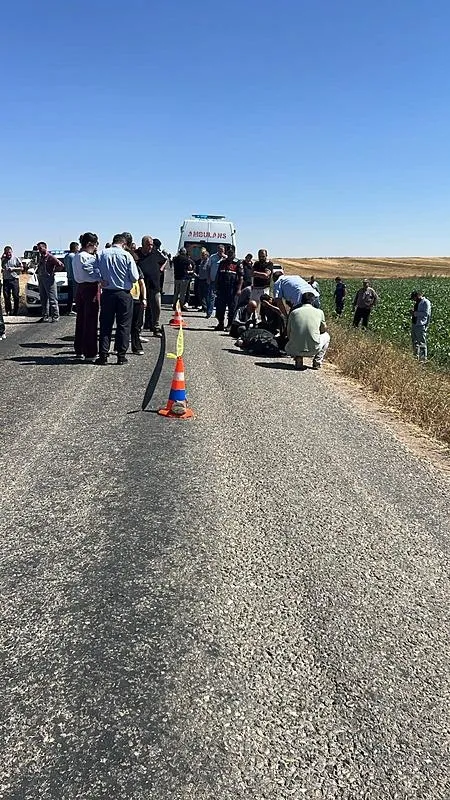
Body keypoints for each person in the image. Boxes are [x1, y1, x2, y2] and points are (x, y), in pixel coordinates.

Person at [96, 233, 139, 365]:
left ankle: (103, 355)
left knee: (105, 324)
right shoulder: (127, 255)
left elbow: (92, 269)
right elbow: (134, 277)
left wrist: (100, 279)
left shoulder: (102, 253)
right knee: (123, 325)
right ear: (124, 244)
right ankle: (121, 355)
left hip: (107, 293)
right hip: (123, 294)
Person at [72, 232, 101, 362]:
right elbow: (94, 272)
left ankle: (79, 349)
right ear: (89, 244)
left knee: (81, 320)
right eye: (95, 245)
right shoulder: (89, 258)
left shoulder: (76, 256)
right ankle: (90, 352)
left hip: (80, 288)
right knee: (91, 321)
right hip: (90, 288)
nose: (95, 248)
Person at [285, 292, 330, 370]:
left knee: (296, 336)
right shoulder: (319, 312)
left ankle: (298, 358)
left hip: (294, 349)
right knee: (327, 336)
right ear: (313, 301)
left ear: (301, 301)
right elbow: (323, 329)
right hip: (314, 349)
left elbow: (288, 332)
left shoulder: (294, 312)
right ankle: (317, 361)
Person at [136, 236, 165, 336]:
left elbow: (165, 260)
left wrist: (161, 269)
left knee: (156, 307)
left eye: (152, 244)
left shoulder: (155, 253)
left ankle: (155, 327)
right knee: (140, 309)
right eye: (148, 244)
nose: (151, 247)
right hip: (141, 286)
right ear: (143, 244)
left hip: (154, 285)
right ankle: (138, 329)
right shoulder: (137, 254)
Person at [215, 245, 243, 331]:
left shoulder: (238, 263)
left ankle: (230, 325)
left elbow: (241, 277)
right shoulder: (223, 262)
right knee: (220, 308)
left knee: (232, 308)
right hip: (222, 289)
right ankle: (220, 323)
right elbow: (218, 275)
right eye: (228, 252)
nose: (230, 253)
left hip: (233, 290)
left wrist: (239, 289)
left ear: (234, 252)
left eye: (231, 252)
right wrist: (216, 286)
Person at [36, 242, 64, 322]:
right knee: (43, 299)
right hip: (41, 279)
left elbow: (61, 265)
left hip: (49, 280)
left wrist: (53, 271)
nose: (39, 250)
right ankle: (45, 316)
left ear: (45, 247)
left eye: (40, 248)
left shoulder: (50, 257)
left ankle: (55, 316)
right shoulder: (41, 257)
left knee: (52, 298)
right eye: (38, 249)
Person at [410, 290, 431, 362]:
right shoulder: (418, 302)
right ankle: (415, 357)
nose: (413, 300)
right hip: (415, 324)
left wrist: (414, 313)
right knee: (414, 341)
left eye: (414, 298)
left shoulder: (426, 302)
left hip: (421, 325)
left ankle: (422, 360)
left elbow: (425, 314)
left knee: (421, 343)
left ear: (417, 296)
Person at [130, 265, 147, 355]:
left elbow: (142, 283)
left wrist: (144, 298)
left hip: (136, 298)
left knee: (136, 325)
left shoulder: (136, 267)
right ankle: (119, 348)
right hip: (124, 297)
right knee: (122, 324)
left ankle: (136, 347)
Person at [206, 244, 226, 318]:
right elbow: (208, 268)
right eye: (220, 250)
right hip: (213, 280)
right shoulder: (212, 257)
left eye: (222, 251)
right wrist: (208, 278)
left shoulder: (226, 258)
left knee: (221, 298)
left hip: (222, 282)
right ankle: (209, 312)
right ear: (217, 250)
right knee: (211, 296)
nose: (221, 252)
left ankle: (219, 314)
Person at [1, 246, 22, 315]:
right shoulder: (3, 259)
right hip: (6, 280)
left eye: (9, 252)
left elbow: (22, 268)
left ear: (12, 252)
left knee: (15, 296)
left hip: (14, 280)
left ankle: (15, 311)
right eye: (6, 253)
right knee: (6, 296)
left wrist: (13, 269)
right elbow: (1, 265)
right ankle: (8, 311)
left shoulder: (16, 259)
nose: (8, 254)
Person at [64, 241, 80, 315]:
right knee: (76, 295)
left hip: (69, 278)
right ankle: (78, 309)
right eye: (77, 247)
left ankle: (69, 310)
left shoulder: (66, 256)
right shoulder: (73, 256)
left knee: (70, 295)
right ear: (75, 247)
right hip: (74, 278)